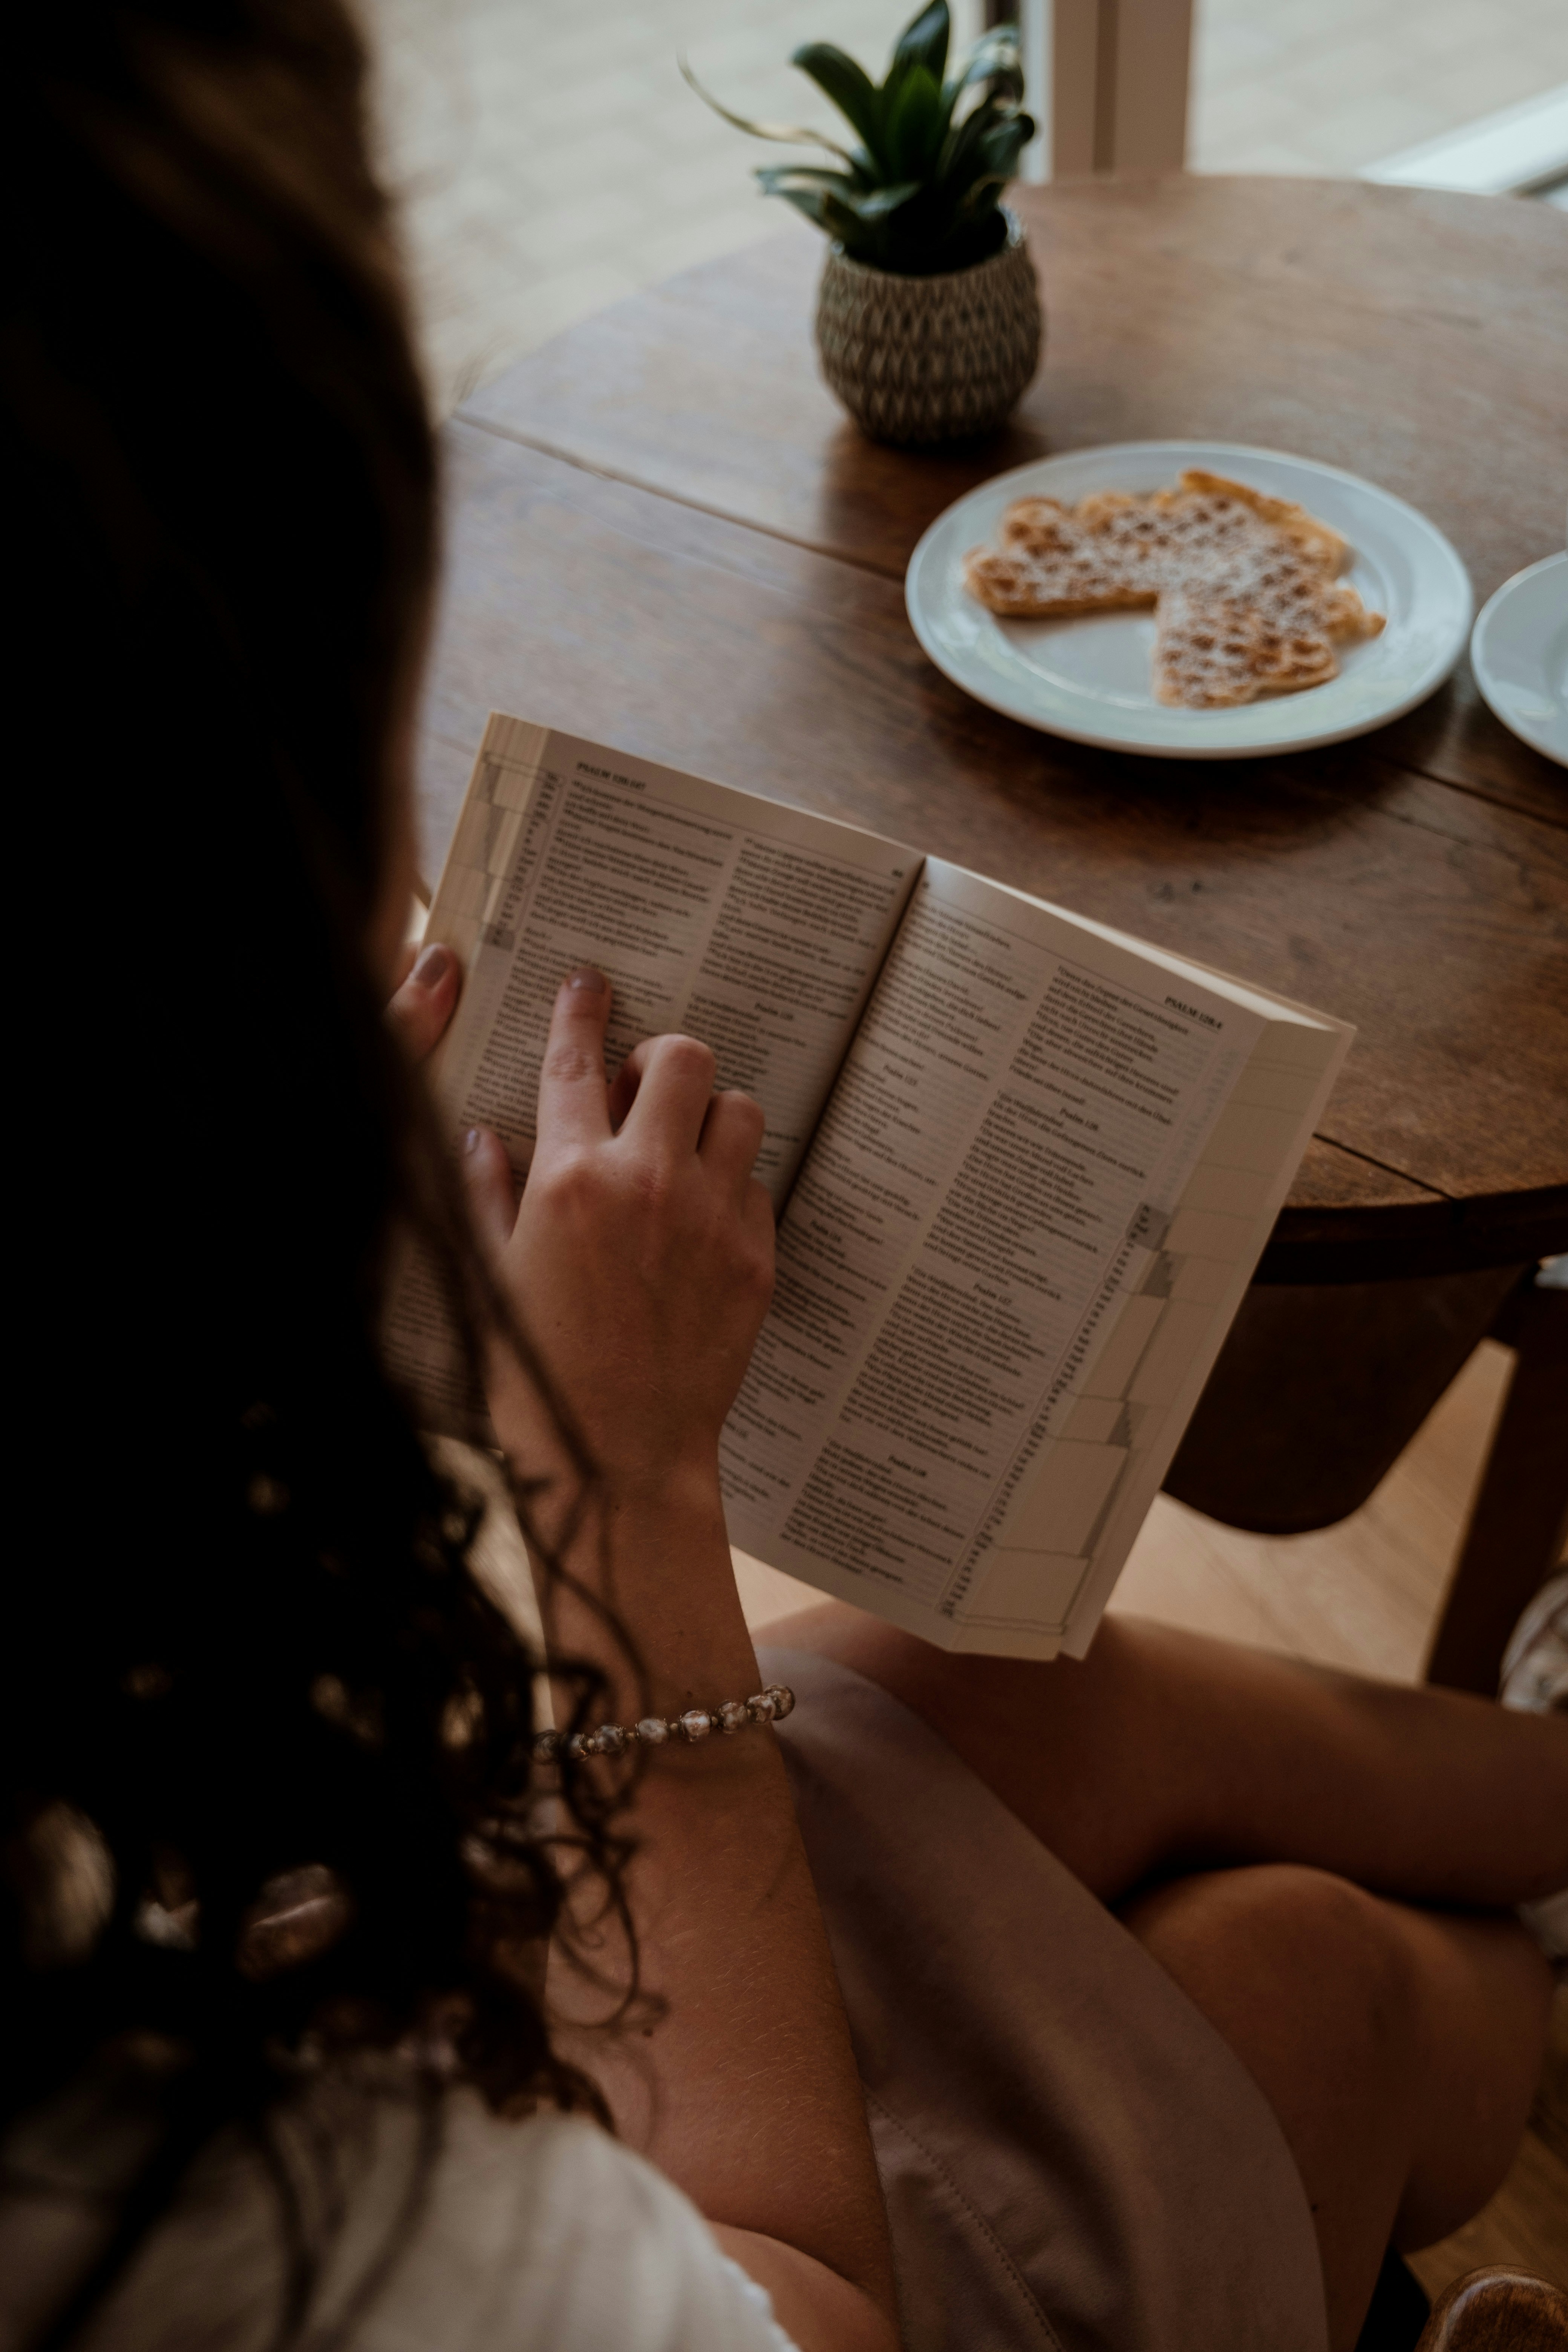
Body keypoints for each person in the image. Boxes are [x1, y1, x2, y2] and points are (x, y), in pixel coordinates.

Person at [3, 5, 1564, 2351]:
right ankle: (1518, 2028)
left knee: (1024, 1693)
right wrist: (623, 1487)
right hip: (612, 2223)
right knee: (1307, 1977)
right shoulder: (198, 2212)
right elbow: (798, 2304)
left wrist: (227, 1319)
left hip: (317, 1937)